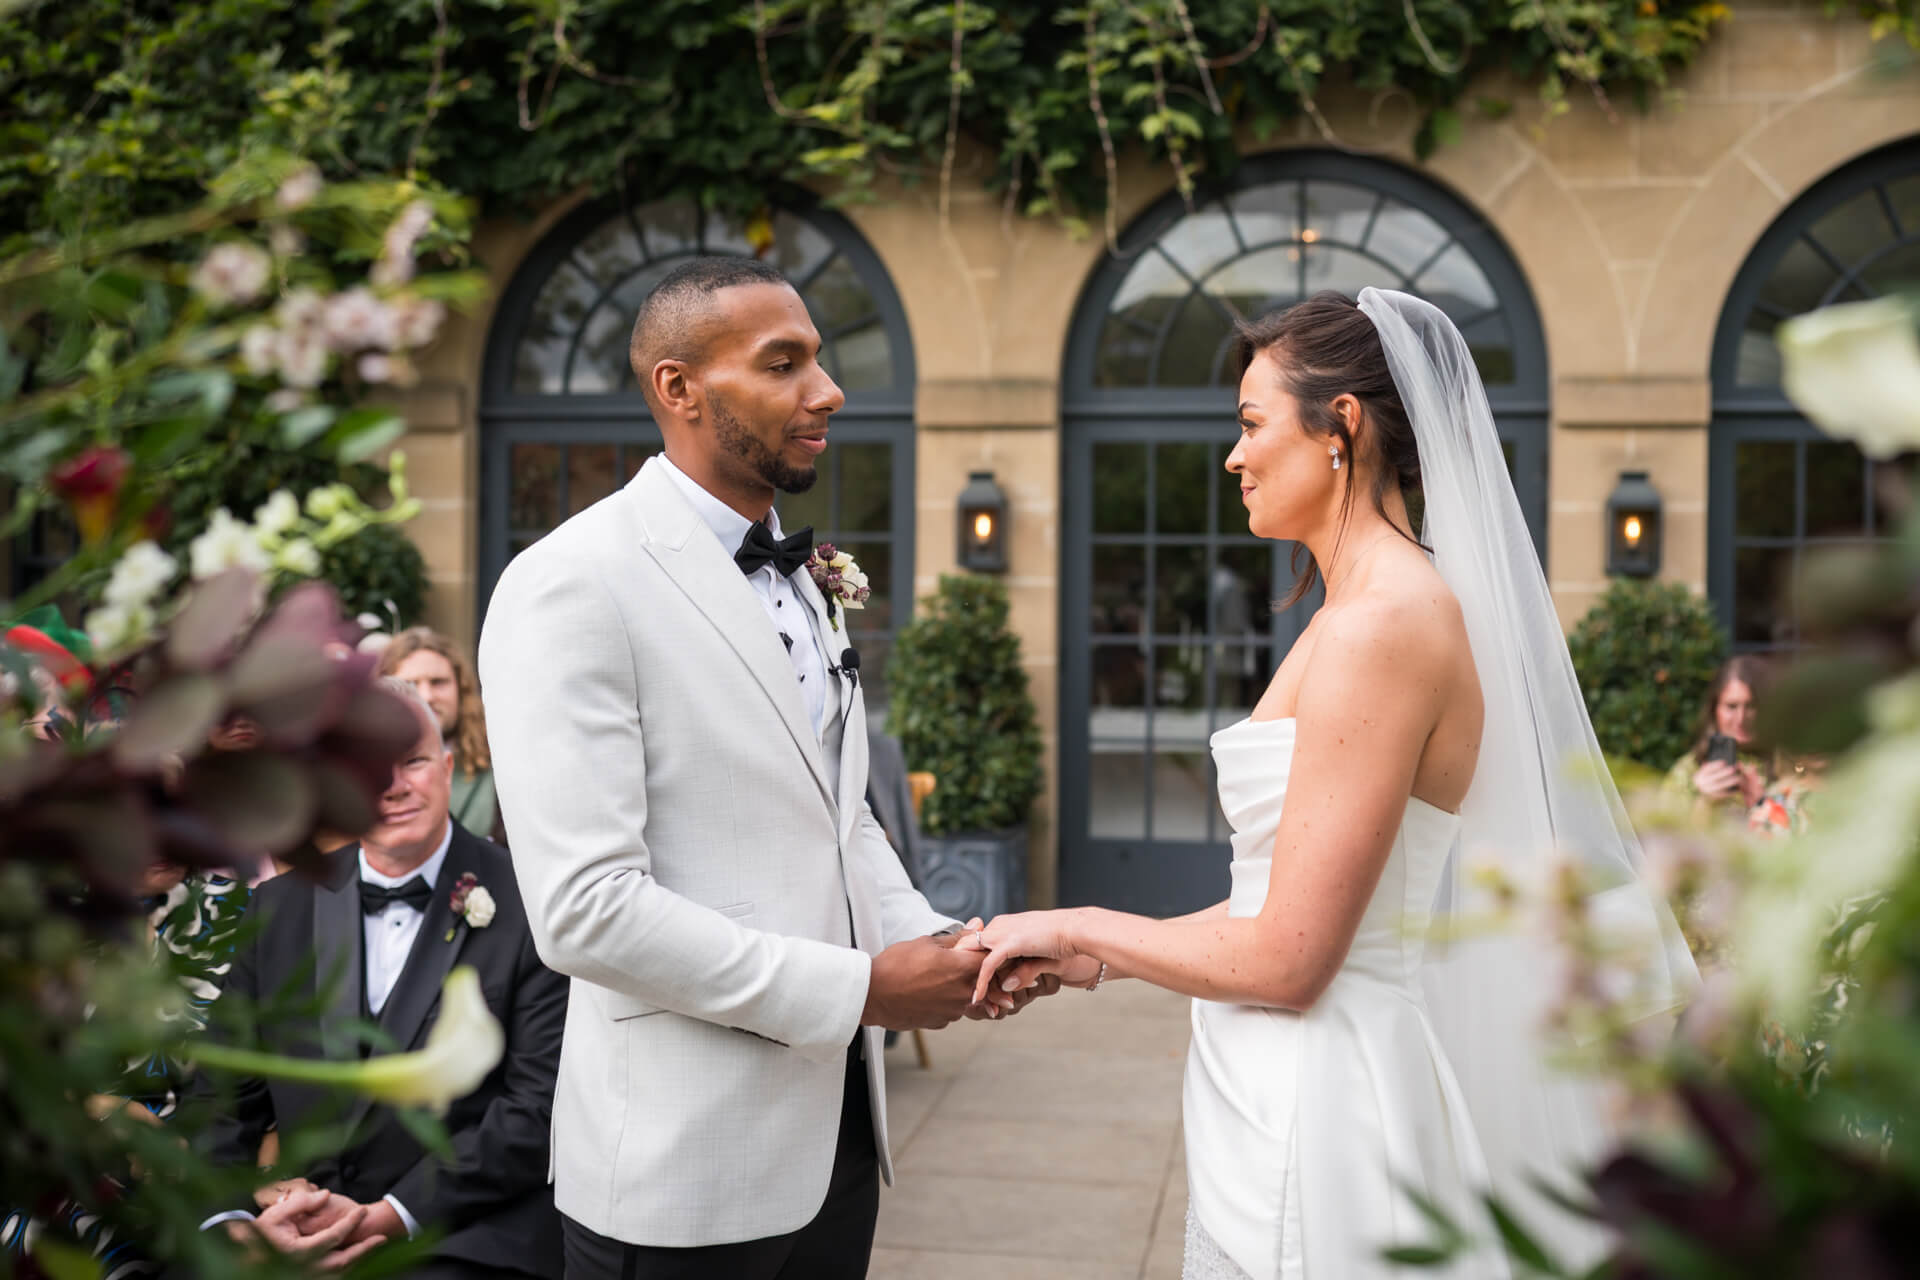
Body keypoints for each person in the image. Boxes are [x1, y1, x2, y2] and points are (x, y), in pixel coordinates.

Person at [966, 290, 1696, 1279]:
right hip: (1284, 1078)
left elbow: (1292, 956)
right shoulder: (1370, 607)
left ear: (1341, 424)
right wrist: (1105, 956)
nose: (1234, 454)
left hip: (1324, 1095)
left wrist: (1082, 923)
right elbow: (1281, 895)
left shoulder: (1380, 623)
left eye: (1252, 422)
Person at [479, 255, 1047, 1280]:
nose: (826, 391)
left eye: (818, 361)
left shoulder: (808, 576)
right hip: (680, 1168)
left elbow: (841, 819)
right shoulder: (571, 583)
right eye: (783, 363)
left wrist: (948, 945)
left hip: (838, 1143)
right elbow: (587, 908)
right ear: (679, 388)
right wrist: (866, 986)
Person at [191, 678, 568, 1280]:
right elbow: (219, 1098)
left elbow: (536, 1109)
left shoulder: (533, 904)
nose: (392, 786)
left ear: (447, 766)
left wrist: (388, 1216)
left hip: (466, 1239)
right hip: (291, 1234)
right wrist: (233, 1227)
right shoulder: (277, 909)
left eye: (413, 761)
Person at [380, 627, 502, 843]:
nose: (426, 696)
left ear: (461, 689)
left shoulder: (500, 765)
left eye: (438, 682)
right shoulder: (360, 774)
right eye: (410, 684)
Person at [1662, 656, 1774, 814]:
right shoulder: (1688, 771)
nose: (1741, 718)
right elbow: (1663, 832)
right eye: (1731, 706)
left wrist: (1763, 804)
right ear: (1715, 710)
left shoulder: (1792, 766)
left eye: (1751, 706)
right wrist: (1702, 802)